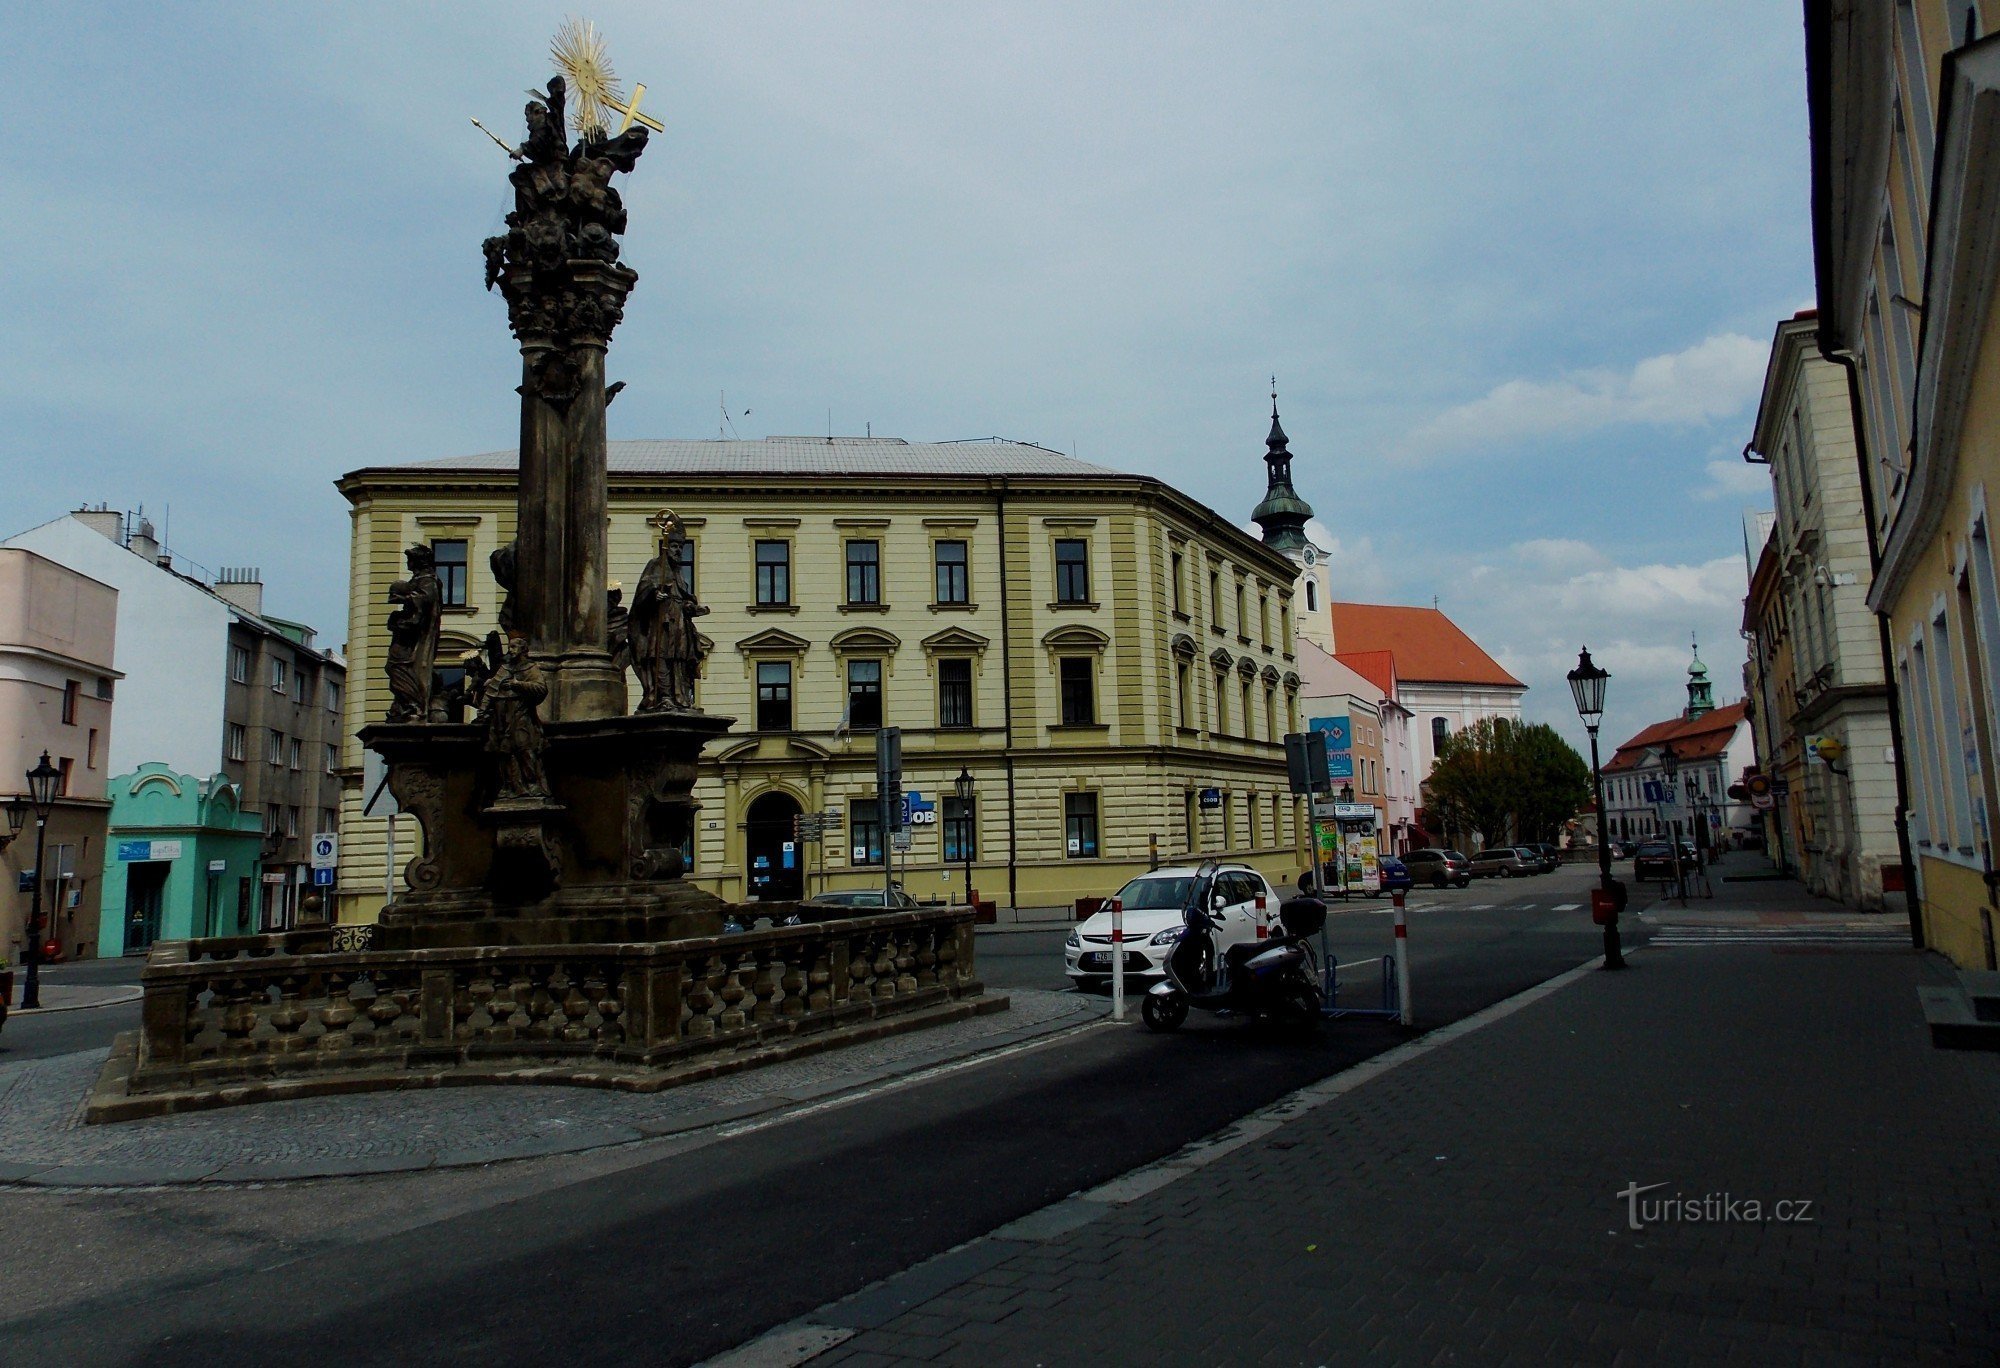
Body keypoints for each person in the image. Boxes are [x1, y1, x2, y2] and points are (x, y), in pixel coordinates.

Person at [384, 544, 441, 722]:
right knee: (394, 667)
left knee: (397, 667)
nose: (408, 563)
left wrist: (405, 598)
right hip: (409, 633)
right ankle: (405, 704)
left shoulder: (427, 579)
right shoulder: (420, 579)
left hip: (415, 637)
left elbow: (426, 599)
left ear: (418, 561)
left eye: (410, 559)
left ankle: (413, 704)